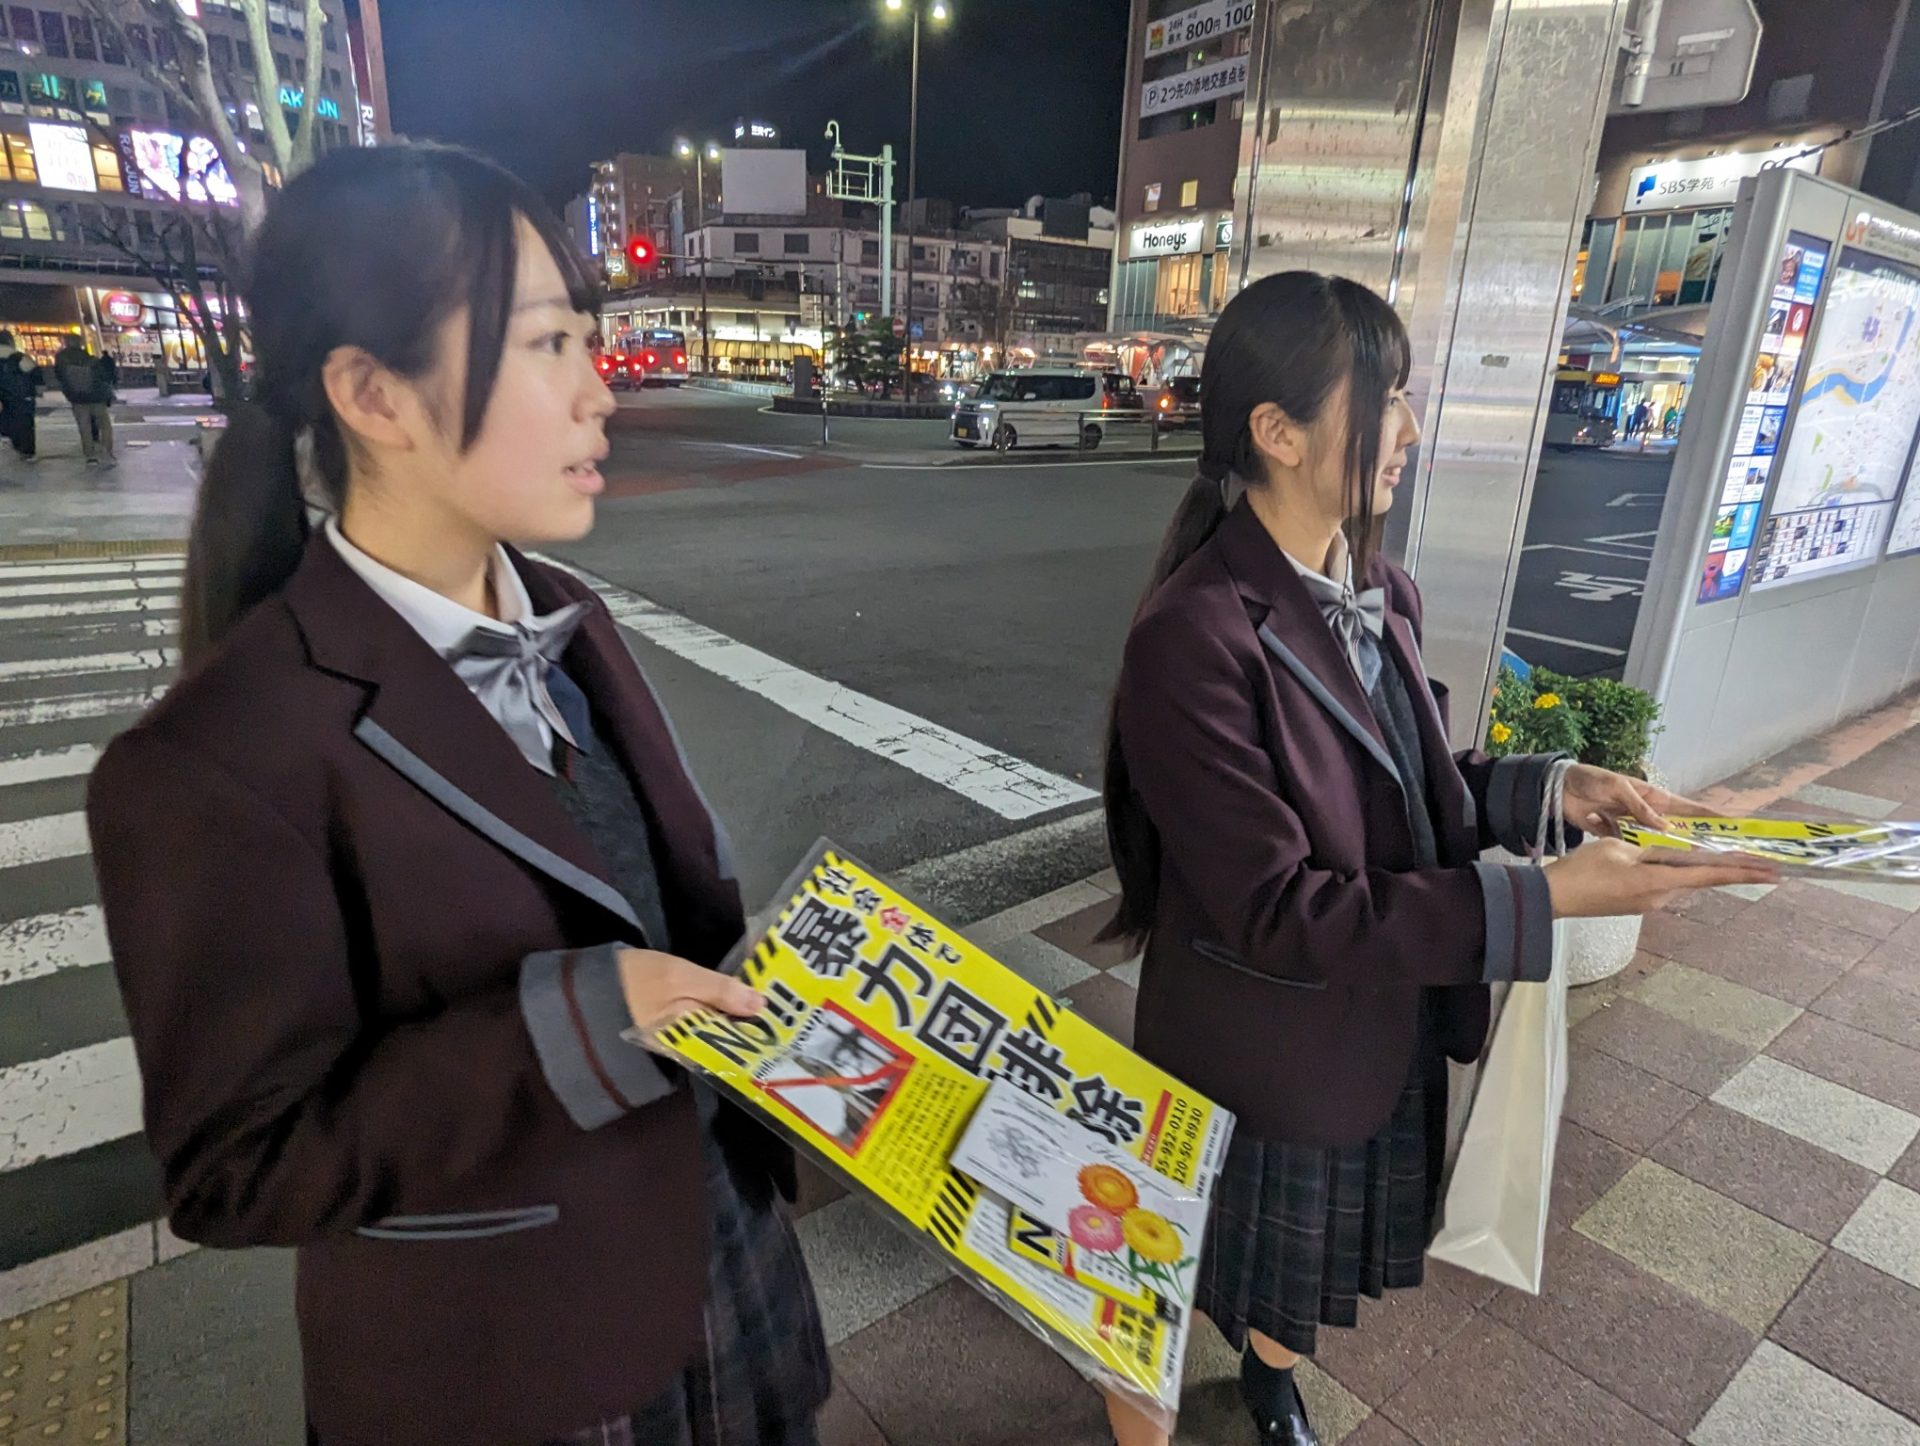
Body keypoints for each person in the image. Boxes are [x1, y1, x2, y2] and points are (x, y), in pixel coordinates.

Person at [85, 144, 830, 1446]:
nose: (601, 390)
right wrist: (579, 1023)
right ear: (374, 393)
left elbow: (645, 906)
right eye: (547, 344)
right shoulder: (217, 756)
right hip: (514, 1370)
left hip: (727, 1264)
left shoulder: (569, 615)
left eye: (586, 338)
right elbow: (237, 1167)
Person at [1098, 272, 1775, 1446]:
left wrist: (1558, 790)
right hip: (1263, 1044)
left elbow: (1413, 786)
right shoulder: (1192, 637)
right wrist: (1540, 900)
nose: (1411, 428)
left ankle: (1267, 1379)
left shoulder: (1378, 585)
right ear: (1279, 432)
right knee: (1174, 1267)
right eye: (1387, 396)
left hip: (1379, 1015)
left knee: (1304, 1278)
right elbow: (1282, 909)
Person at [52, 335, 119, 465]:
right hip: (96, 396)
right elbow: (102, 376)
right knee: (104, 424)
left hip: (77, 397)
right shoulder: (88, 357)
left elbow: (60, 377)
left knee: (84, 426)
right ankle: (107, 451)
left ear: (66, 343)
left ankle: (90, 455)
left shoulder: (61, 358)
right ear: (80, 343)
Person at [0, 330, 41, 460]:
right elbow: (35, 372)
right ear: (10, 341)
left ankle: (12, 439)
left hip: (3, 397)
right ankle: (27, 451)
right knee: (25, 424)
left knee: (8, 420)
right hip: (22, 395)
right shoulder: (18, 357)